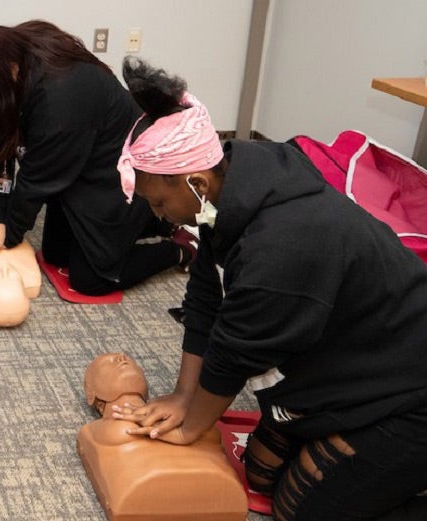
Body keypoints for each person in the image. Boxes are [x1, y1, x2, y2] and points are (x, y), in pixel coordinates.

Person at [111, 58, 427, 521]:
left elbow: (237, 351)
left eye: (159, 202)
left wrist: (192, 427)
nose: (158, 216)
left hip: (408, 394)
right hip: (349, 361)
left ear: (195, 182)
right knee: (260, 476)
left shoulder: (283, 243)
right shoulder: (227, 189)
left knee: (299, 511)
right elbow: (205, 299)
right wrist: (183, 395)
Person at [0, 20, 193, 297]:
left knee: (92, 280)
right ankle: (153, 222)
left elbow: (36, 180)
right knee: (55, 255)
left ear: (8, 71)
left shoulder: (58, 102)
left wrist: (8, 233)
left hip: (121, 173)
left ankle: (180, 249)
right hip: (79, 160)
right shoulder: (19, 53)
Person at [79, 353, 247, 521]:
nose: (122, 358)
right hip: (140, 494)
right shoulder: (94, 431)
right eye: (106, 364)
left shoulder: (184, 412)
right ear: (92, 394)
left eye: (129, 360)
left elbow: (233, 351)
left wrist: (186, 401)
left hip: (222, 489)